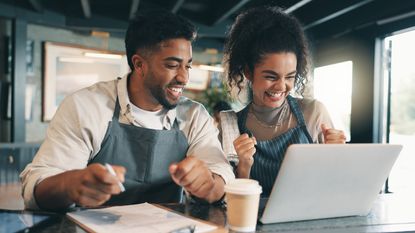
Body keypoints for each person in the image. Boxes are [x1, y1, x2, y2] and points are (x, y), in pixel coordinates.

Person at [20, 10, 234, 211]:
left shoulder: (194, 116)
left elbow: (223, 177)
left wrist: (209, 186)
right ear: (139, 64)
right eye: (172, 65)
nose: (184, 78)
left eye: (187, 65)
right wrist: (70, 185)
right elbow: (36, 187)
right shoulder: (85, 106)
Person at [220, 6, 346, 197]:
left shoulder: (314, 113)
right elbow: (232, 201)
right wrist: (244, 165)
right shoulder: (232, 126)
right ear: (248, 72)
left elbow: (336, 187)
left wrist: (339, 156)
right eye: (271, 76)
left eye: (289, 77)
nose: (281, 86)